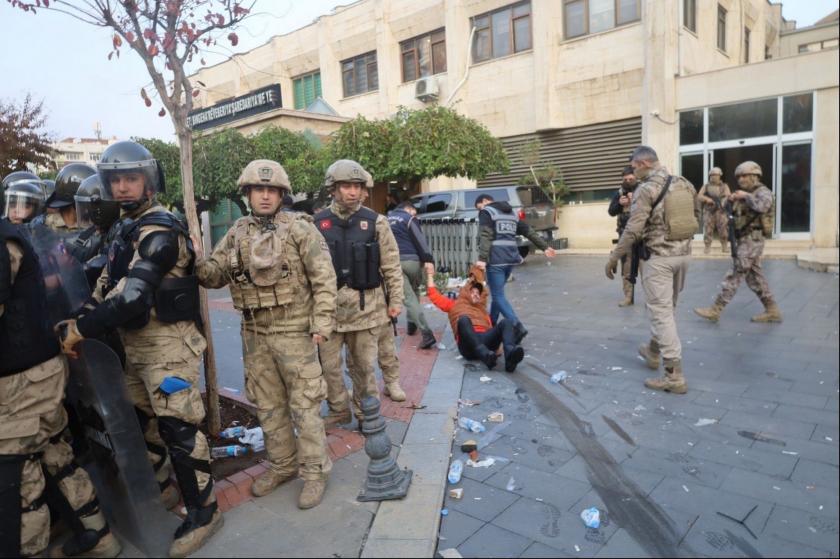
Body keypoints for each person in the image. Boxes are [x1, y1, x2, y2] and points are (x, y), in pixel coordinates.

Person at [53, 140, 222, 557]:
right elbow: (105, 286)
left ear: (148, 182)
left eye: (131, 179)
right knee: (144, 424)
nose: (123, 187)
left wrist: (83, 328)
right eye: (115, 180)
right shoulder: (122, 230)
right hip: (134, 345)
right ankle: (164, 490)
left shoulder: (160, 229)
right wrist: (77, 320)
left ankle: (205, 510)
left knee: (179, 430)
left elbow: (132, 297)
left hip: (168, 345)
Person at [194, 160, 336, 509]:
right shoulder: (237, 233)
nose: (265, 195)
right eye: (259, 189)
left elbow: (324, 277)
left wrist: (322, 322)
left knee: (304, 407)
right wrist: (196, 257)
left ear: (282, 194)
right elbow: (213, 277)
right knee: (268, 407)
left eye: (272, 190)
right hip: (254, 333)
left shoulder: (301, 229)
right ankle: (284, 466)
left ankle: (315, 472)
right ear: (248, 194)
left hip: (295, 330)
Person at [0, 215, 120, 558]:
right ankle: (96, 536)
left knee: (17, 475)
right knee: (56, 454)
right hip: (33, 371)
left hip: (23, 382)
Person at [314, 160, 404, 428]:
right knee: (329, 368)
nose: (352, 192)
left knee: (364, 368)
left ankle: (368, 414)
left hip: (366, 311)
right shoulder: (316, 223)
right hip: (328, 313)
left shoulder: (377, 222)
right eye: (346, 186)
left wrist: (396, 301)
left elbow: (391, 265)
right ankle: (339, 410)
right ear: (333, 188)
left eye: (357, 186)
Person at [605, 145, 697, 395]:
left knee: (661, 313)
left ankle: (674, 376)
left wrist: (615, 256)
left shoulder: (646, 189)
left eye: (634, 167)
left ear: (644, 164)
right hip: (684, 255)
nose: (633, 172)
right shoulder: (685, 183)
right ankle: (653, 352)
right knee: (667, 309)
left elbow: (633, 229)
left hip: (658, 259)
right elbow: (695, 215)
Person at [694, 161, 782, 323]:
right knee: (754, 278)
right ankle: (772, 310)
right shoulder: (743, 192)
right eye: (739, 177)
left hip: (753, 239)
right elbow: (730, 210)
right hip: (743, 239)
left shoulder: (763, 192)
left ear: (755, 176)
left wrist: (746, 196)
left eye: (745, 176)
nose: (741, 179)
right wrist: (731, 199)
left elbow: (763, 206)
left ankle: (716, 309)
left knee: (736, 273)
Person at [474, 194, 556, 341]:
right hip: (511, 259)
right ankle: (491, 323)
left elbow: (485, 236)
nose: (480, 210)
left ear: (485, 201)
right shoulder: (511, 213)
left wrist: (482, 259)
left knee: (498, 295)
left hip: (496, 259)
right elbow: (528, 231)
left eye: (479, 207)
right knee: (497, 295)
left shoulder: (487, 212)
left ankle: (517, 326)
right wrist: (544, 247)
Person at [425, 264, 525, 372]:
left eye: (478, 293)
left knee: (506, 322)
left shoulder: (482, 309)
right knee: (463, 320)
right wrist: (430, 274)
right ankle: (484, 354)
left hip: (485, 340)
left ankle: (510, 357)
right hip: (468, 346)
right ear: (466, 293)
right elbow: (433, 294)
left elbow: (491, 326)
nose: (476, 295)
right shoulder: (453, 304)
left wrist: (499, 345)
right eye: (473, 292)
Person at [387, 201, 437, 349]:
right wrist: (428, 259)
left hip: (394, 262)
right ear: (407, 209)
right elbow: (420, 240)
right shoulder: (409, 219)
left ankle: (414, 326)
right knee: (413, 294)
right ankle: (424, 331)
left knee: (408, 298)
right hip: (413, 261)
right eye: (414, 211)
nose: (415, 214)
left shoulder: (384, 220)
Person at [607, 166, 639, 307]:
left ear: (636, 177)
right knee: (626, 267)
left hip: (643, 236)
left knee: (648, 268)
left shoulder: (644, 190)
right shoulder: (619, 193)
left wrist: (636, 200)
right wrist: (619, 204)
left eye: (631, 179)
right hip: (624, 236)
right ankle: (628, 297)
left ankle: (653, 299)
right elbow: (611, 211)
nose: (628, 181)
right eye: (625, 179)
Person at [696, 167, 731, 254]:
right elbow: (699, 196)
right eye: (711, 175)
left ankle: (724, 246)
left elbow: (728, 196)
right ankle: (707, 246)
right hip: (709, 211)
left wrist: (723, 202)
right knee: (708, 229)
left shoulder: (724, 186)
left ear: (720, 176)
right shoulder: (706, 186)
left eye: (715, 175)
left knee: (723, 229)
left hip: (721, 211)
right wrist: (707, 199)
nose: (713, 177)